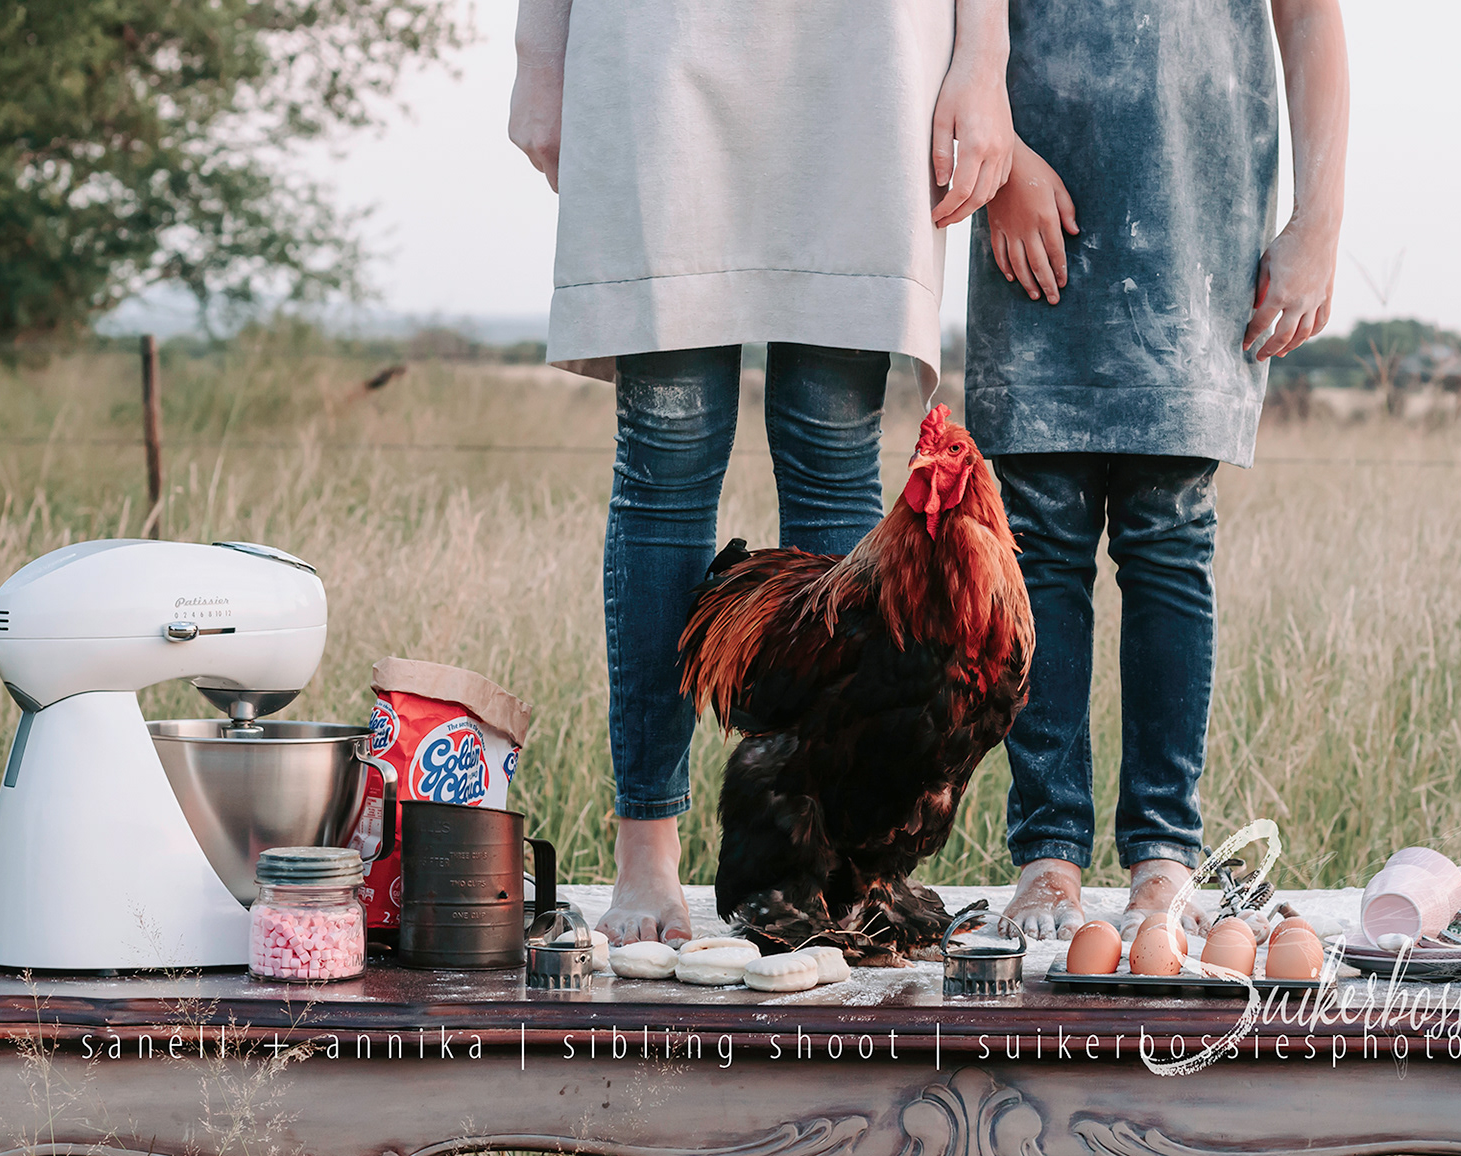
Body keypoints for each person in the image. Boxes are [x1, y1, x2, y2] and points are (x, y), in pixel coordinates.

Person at [508, 0, 1017, 944]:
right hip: (656, 40)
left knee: (834, 457)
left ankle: (832, 869)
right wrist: (541, 52)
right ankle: (646, 855)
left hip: (867, 51)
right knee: (666, 460)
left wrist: (982, 60)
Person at [970, 0, 1350, 940]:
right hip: (1035, 208)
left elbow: (1309, 20)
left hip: (1196, 218)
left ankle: (1164, 858)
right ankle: (1048, 858)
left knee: (1169, 537)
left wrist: (1321, 222)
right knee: (1040, 542)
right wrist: (1004, 159)